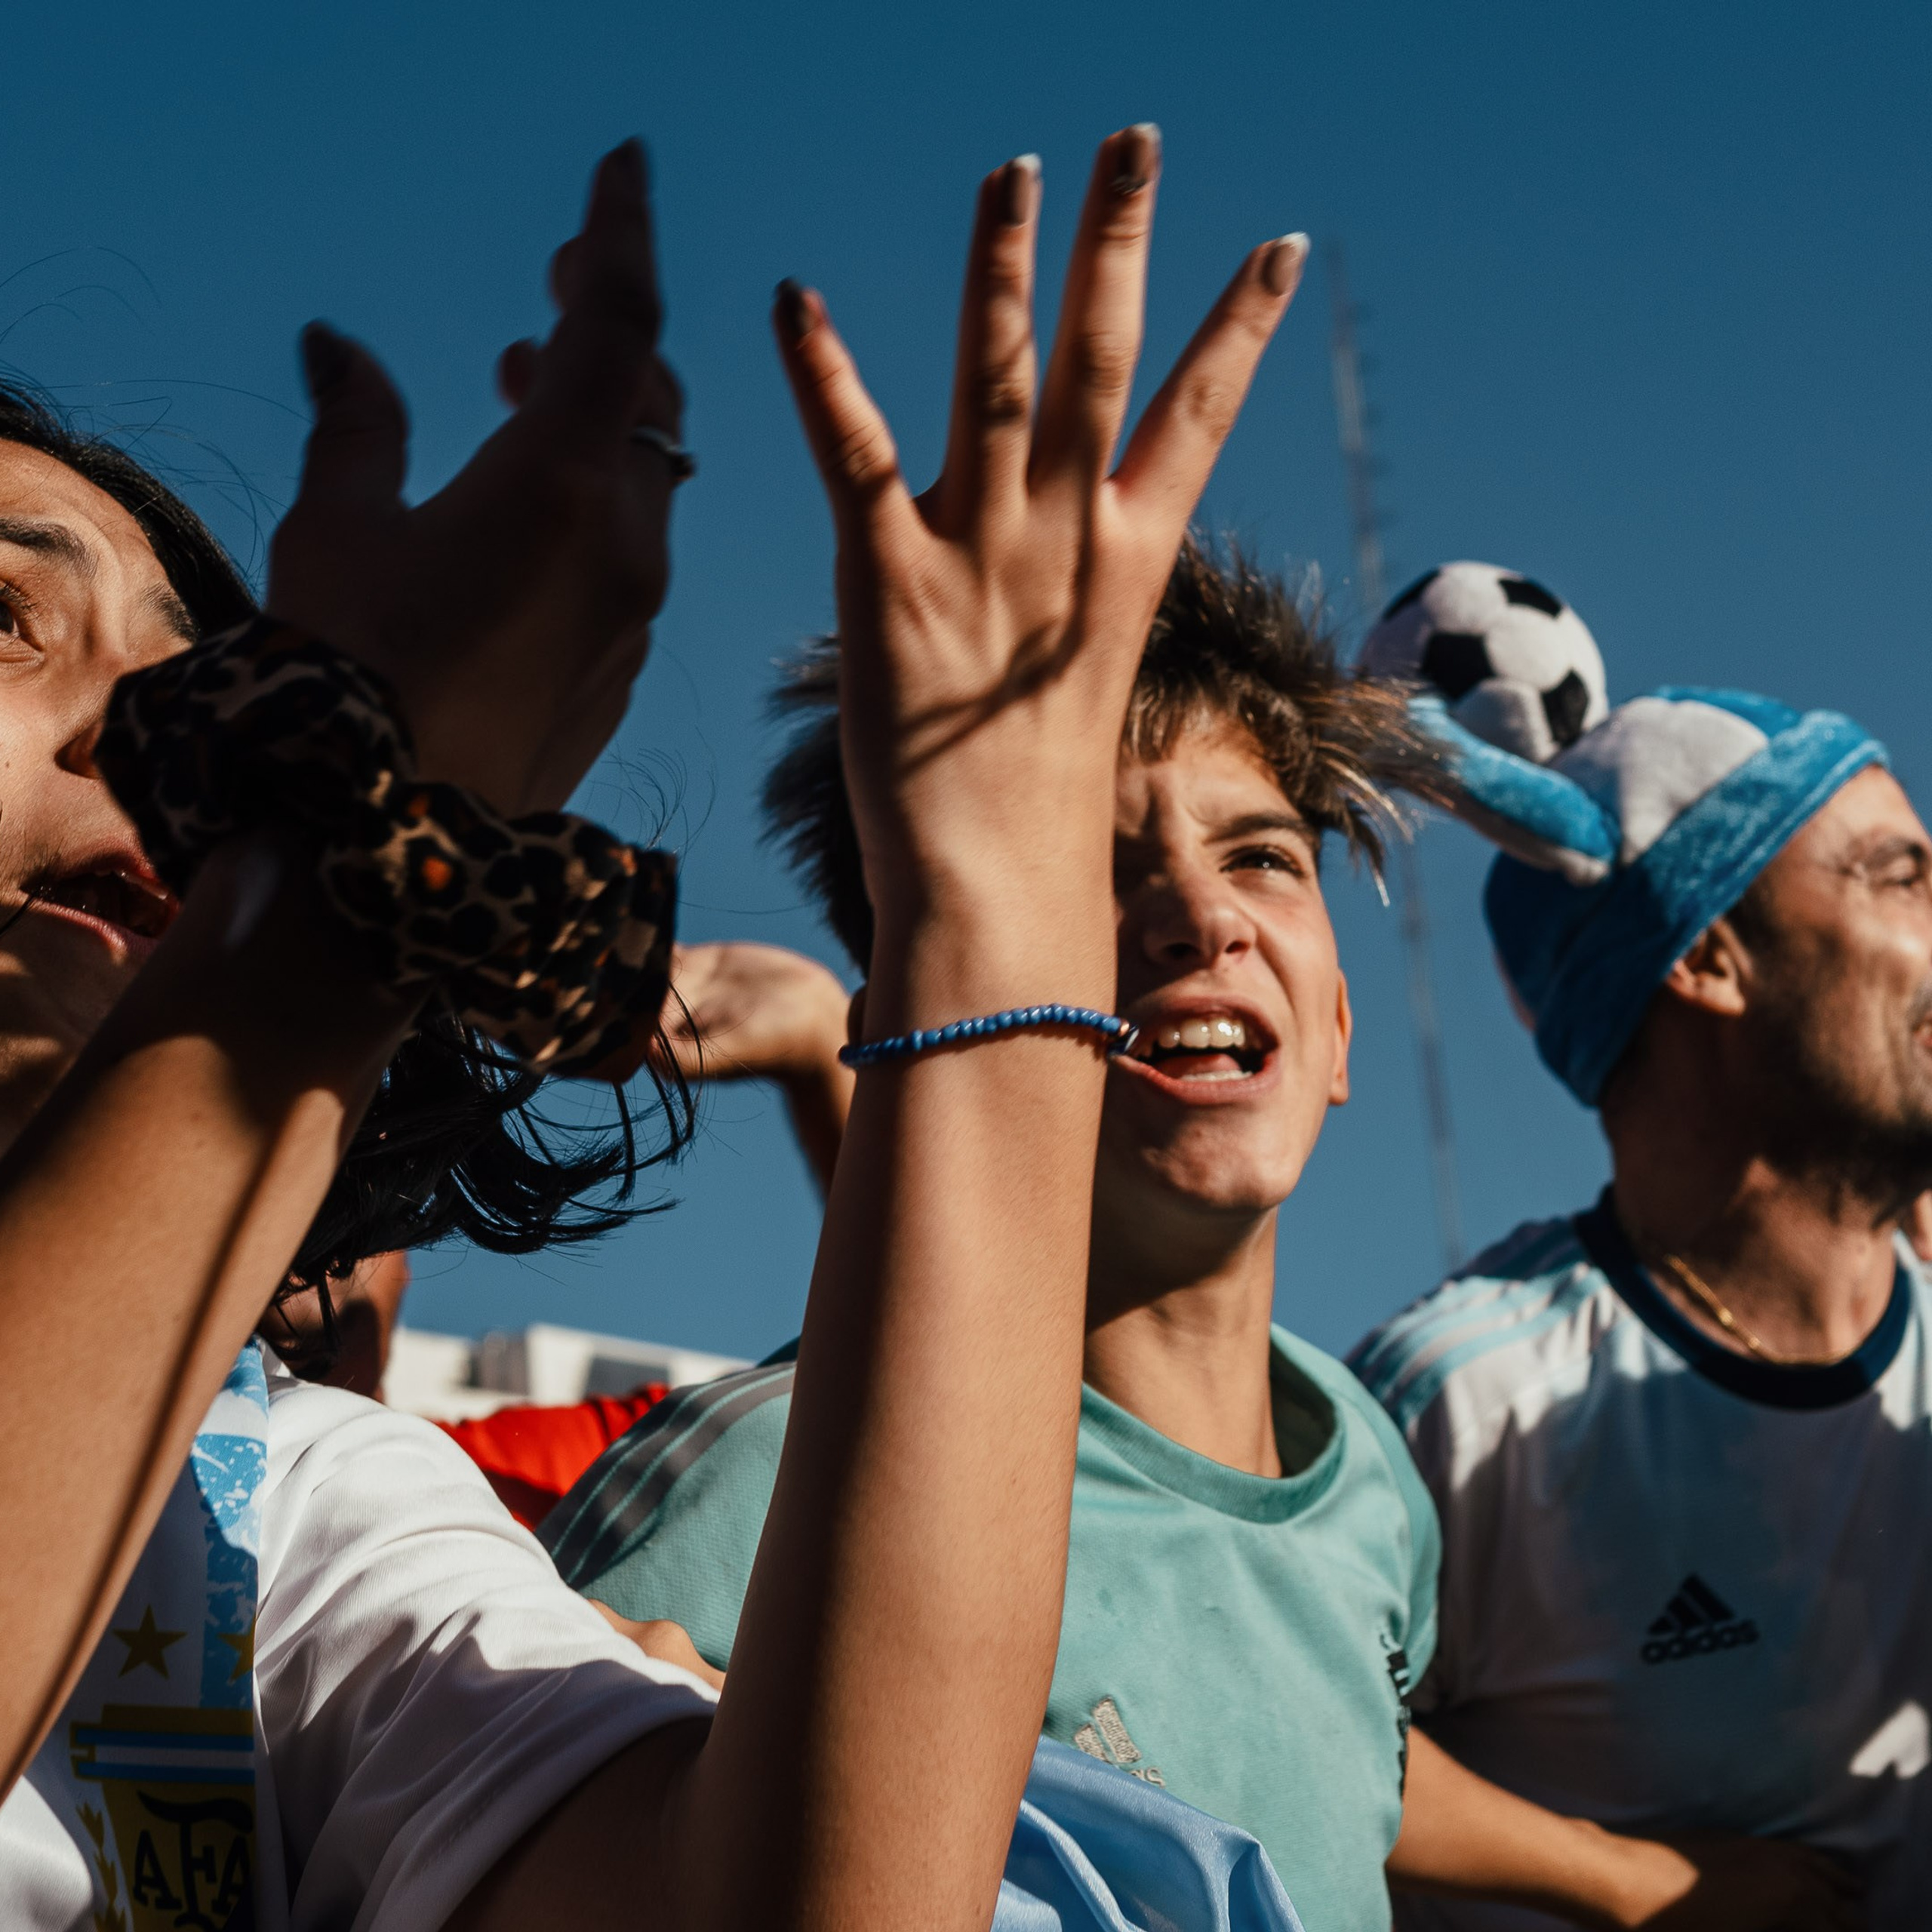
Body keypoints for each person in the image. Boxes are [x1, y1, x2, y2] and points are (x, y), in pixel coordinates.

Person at [0, 125, 1309, 1927]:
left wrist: (996, 901)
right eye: (6, 625)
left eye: (187, 696)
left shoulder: (279, 1505)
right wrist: (320, 912)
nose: (135, 747)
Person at [543, 536, 1842, 1930]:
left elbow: (1331, 1748)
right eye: (1085, 871)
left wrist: (1634, 1880)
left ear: (1340, 1032)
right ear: (915, 1029)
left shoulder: (1363, 1470)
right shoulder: (764, 1488)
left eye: (1265, 855)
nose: (1200, 914)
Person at [1349, 652, 1924, 1925]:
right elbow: (1267, 1713)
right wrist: (1630, 1882)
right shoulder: (1467, 1399)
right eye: (1900, 877)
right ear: (1710, 959)